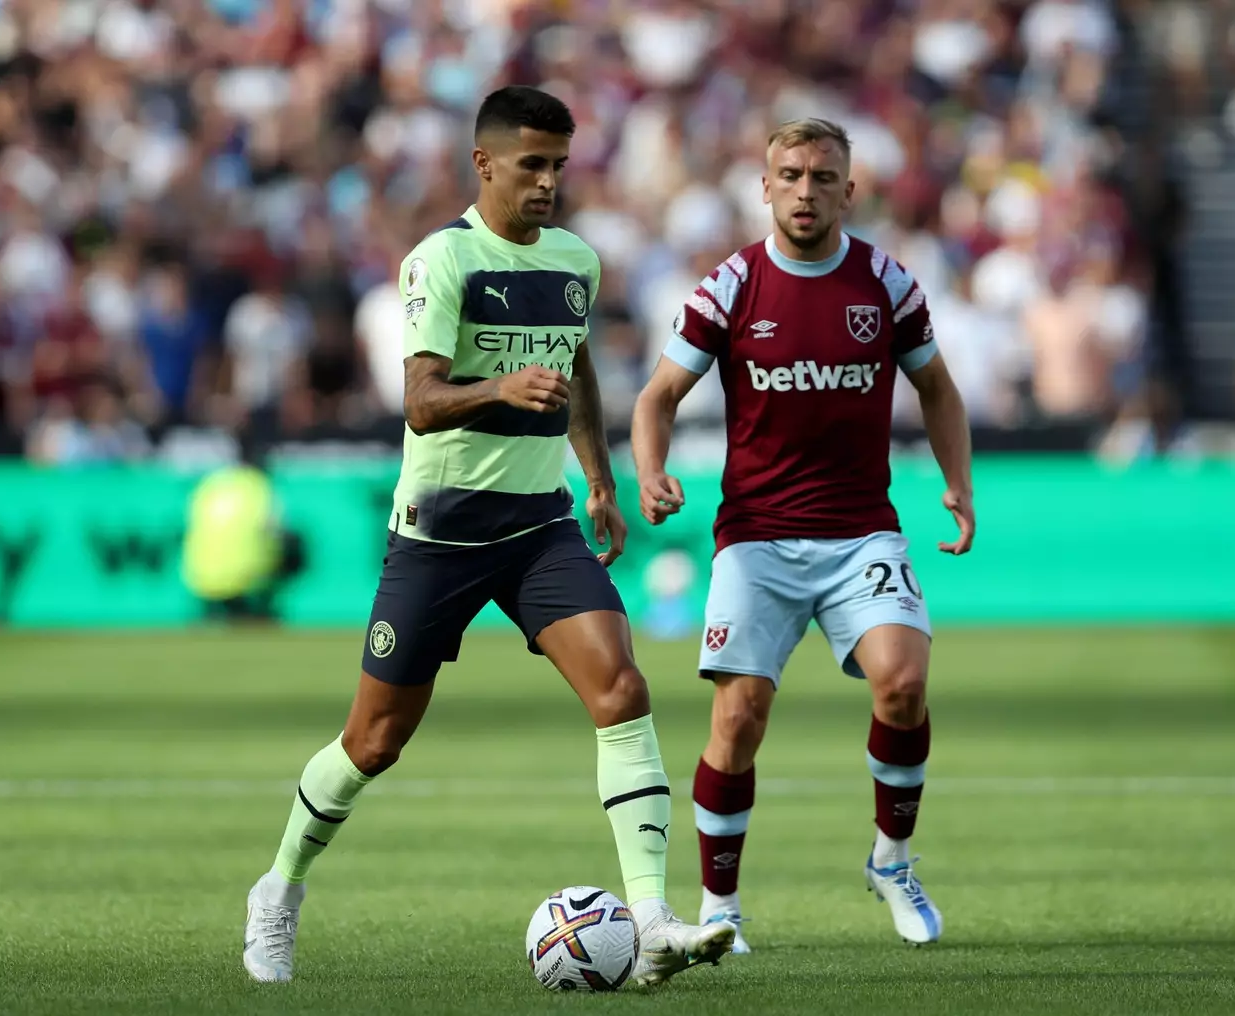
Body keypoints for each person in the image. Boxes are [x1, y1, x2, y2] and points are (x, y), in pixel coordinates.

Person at [242, 86, 734, 985]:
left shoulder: (576, 260)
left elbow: (577, 371)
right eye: (532, 165)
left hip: (538, 526)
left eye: (559, 165)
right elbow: (421, 402)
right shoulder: (443, 260)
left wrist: (597, 479)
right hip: (438, 536)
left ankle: (656, 916)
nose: (548, 182)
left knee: (623, 688)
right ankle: (279, 888)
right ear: (485, 164)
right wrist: (499, 390)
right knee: (375, 742)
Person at [631, 119, 976, 951]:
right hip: (756, 536)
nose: (805, 191)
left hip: (862, 534)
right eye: (789, 175)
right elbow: (656, 398)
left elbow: (938, 390)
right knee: (738, 720)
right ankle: (720, 907)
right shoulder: (731, 286)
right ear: (764, 185)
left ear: (849, 191)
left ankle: (891, 860)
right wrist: (649, 471)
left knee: (902, 683)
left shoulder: (886, 283)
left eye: (823, 177)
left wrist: (958, 483)